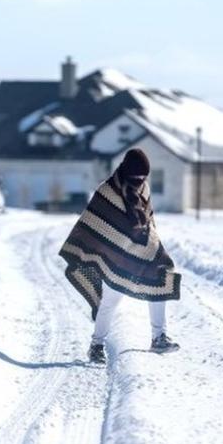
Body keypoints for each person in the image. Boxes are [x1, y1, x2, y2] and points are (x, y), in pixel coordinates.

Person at [59, 148, 181, 364]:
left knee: (160, 282)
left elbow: (148, 220)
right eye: (137, 176)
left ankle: (159, 337)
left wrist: (152, 244)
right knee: (110, 302)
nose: (140, 180)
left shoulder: (144, 189)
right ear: (126, 171)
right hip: (115, 257)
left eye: (144, 176)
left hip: (142, 253)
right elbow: (94, 223)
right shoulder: (107, 191)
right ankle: (96, 345)